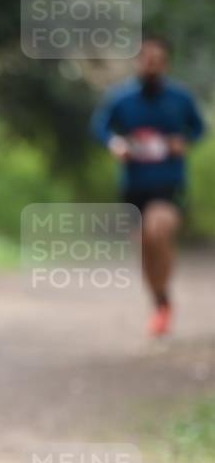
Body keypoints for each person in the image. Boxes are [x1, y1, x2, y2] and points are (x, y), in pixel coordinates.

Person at [91, 37, 205, 336]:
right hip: (134, 186)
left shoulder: (180, 98)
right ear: (138, 62)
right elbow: (100, 126)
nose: (151, 64)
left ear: (165, 63)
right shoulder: (122, 98)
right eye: (146, 59)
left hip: (168, 184)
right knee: (144, 245)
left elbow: (199, 127)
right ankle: (160, 301)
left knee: (159, 229)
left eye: (157, 59)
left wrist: (184, 141)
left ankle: (163, 297)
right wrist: (114, 143)